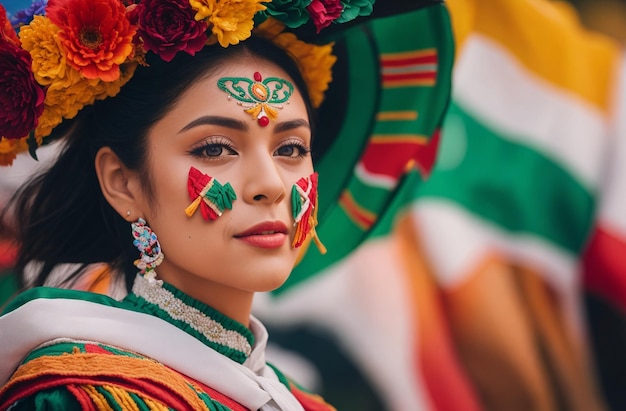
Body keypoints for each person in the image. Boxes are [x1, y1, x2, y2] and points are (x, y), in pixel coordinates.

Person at [0, 0, 375, 409]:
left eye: (291, 148)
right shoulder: (87, 398)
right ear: (122, 183)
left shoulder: (303, 402)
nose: (270, 185)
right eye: (215, 148)